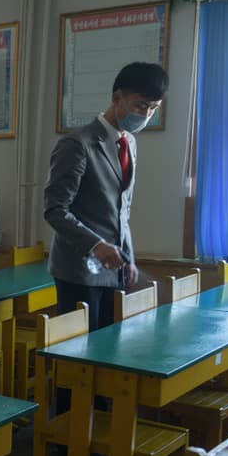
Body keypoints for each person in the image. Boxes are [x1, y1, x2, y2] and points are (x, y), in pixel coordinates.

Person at [43, 61, 168, 330]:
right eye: (140, 106)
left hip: (114, 270)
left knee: (107, 351)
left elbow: (122, 210)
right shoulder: (78, 144)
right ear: (116, 98)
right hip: (78, 271)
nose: (145, 114)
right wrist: (96, 245)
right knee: (79, 358)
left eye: (153, 109)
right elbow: (55, 210)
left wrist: (129, 258)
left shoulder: (129, 142)